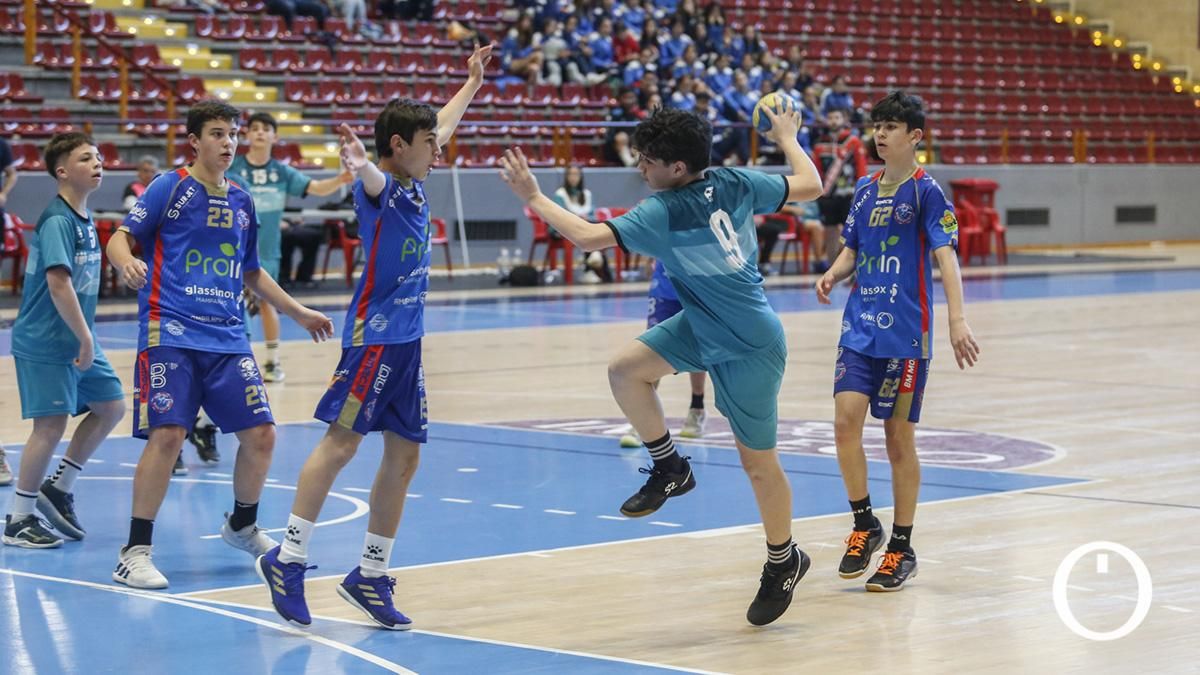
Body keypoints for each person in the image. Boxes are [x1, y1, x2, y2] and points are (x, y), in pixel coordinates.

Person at [500, 105, 824, 626]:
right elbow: (811, 184)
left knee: (759, 465)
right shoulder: (736, 181)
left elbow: (587, 237)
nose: (640, 168)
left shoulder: (663, 210)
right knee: (626, 370)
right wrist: (787, 137)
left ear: (677, 168)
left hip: (749, 344)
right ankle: (671, 467)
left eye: (647, 160)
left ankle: (784, 559)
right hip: (702, 323)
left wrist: (534, 197)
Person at [255, 44, 494, 631]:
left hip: (407, 344)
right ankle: (287, 559)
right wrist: (361, 161)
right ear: (399, 146)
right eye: (429, 144)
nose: (439, 149)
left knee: (405, 455)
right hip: (375, 340)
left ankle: (370, 573)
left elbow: (441, 125)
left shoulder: (415, 177)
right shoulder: (382, 189)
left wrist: (471, 83)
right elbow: (370, 176)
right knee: (341, 444)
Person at [106, 99, 335, 589]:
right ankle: (134, 552)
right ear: (194, 141)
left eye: (232, 133)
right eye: (217, 133)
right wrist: (126, 262)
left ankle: (242, 525)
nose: (228, 142)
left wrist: (298, 312)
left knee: (262, 434)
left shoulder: (242, 201)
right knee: (169, 434)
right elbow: (120, 238)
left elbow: (252, 271)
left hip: (227, 336)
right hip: (170, 330)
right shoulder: (169, 187)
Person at [815, 91, 980, 592]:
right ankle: (865, 524)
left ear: (914, 136)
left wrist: (957, 320)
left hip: (906, 337)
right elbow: (852, 249)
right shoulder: (865, 188)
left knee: (896, 440)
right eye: (877, 126)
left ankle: (901, 548)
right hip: (860, 327)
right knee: (844, 423)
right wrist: (833, 272)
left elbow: (946, 257)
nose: (881, 134)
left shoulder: (927, 193)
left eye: (890, 126)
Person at [3, 133, 126, 548]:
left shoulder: (85, 218)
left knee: (111, 406)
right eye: (86, 158)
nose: (98, 163)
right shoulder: (58, 220)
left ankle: (58, 487)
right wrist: (86, 337)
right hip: (47, 340)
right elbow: (58, 284)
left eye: (98, 157)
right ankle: (19, 519)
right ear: (62, 171)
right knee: (50, 426)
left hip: (76, 339)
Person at [229, 112, 352, 384]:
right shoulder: (233, 169)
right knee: (236, 305)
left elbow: (316, 188)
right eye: (254, 128)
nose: (260, 132)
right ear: (246, 135)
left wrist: (342, 179)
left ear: (275, 137)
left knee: (267, 303)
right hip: (233, 250)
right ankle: (239, 361)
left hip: (267, 250)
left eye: (266, 128)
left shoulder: (281, 172)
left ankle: (272, 363)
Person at [617, 259, 708, 446]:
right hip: (664, 288)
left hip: (697, 285)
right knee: (652, 349)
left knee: (697, 346)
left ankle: (697, 408)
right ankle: (641, 422)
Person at [811, 107, 868, 273]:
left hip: (849, 195)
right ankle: (832, 269)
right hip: (827, 195)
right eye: (830, 118)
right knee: (829, 230)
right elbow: (816, 170)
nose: (833, 121)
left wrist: (861, 192)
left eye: (837, 117)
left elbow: (861, 169)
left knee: (850, 231)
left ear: (844, 120)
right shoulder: (819, 144)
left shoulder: (853, 142)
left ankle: (850, 268)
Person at [551, 164, 610, 284]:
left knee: (596, 229)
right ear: (566, 177)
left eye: (576, 174)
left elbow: (593, 215)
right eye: (570, 174)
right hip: (564, 230)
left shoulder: (587, 194)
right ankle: (595, 257)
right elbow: (558, 216)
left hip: (586, 227)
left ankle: (591, 263)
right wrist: (577, 218)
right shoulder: (560, 194)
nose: (573, 177)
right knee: (588, 233)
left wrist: (586, 218)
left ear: (581, 177)